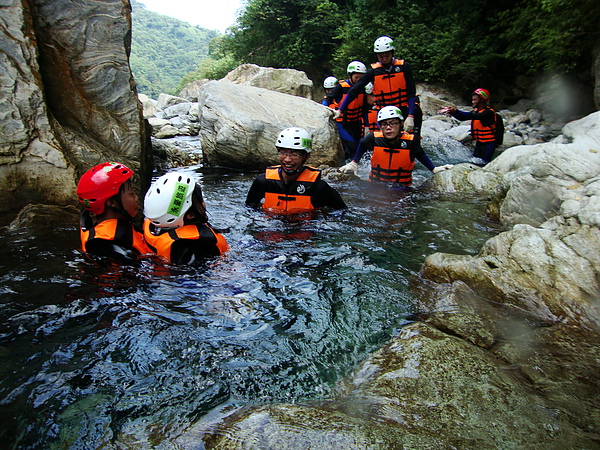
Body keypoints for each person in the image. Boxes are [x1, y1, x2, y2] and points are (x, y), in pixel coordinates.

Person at [339, 106, 453, 186]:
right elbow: (362, 145)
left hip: (402, 188)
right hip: (375, 185)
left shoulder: (411, 141)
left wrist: (434, 169)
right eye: (384, 124)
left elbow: (420, 154)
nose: (388, 127)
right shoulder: (374, 138)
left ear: (401, 124)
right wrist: (354, 162)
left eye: (393, 123)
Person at [337, 36, 423, 137]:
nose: (384, 59)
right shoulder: (373, 71)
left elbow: (411, 92)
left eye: (387, 55)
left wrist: (410, 115)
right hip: (384, 112)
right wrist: (340, 110)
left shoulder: (404, 67)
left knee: (412, 142)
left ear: (392, 53)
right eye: (381, 56)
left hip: (403, 109)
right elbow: (354, 90)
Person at [246, 127, 347, 213]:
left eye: (295, 154)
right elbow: (249, 209)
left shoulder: (318, 187)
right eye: (283, 152)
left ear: (306, 156)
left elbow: (342, 211)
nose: (287, 159)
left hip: (304, 231)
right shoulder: (263, 182)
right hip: (271, 230)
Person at [143, 172, 228, 264]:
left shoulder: (155, 226)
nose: (204, 203)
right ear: (190, 215)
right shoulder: (196, 246)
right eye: (201, 200)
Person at [77, 161, 151, 262]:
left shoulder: (113, 233)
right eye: (131, 194)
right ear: (112, 203)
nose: (136, 198)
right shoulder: (106, 246)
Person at [322, 61, 370, 159]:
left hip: (356, 123)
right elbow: (328, 98)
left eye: (361, 78)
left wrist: (367, 126)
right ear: (350, 75)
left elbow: (364, 110)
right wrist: (323, 109)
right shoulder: (341, 87)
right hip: (342, 123)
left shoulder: (362, 89)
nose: (359, 80)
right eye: (356, 77)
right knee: (353, 148)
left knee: (359, 148)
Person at [438, 88, 497, 165]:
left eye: (475, 100)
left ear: (482, 100)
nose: (472, 102)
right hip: (479, 143)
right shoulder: (476, 111)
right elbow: (462, 117)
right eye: (472, 100)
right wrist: (452, 112)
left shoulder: (488, 112)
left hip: (488, 144)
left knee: (484, 163)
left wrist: (456, 111)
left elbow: (470, 116)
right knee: (475, 163)